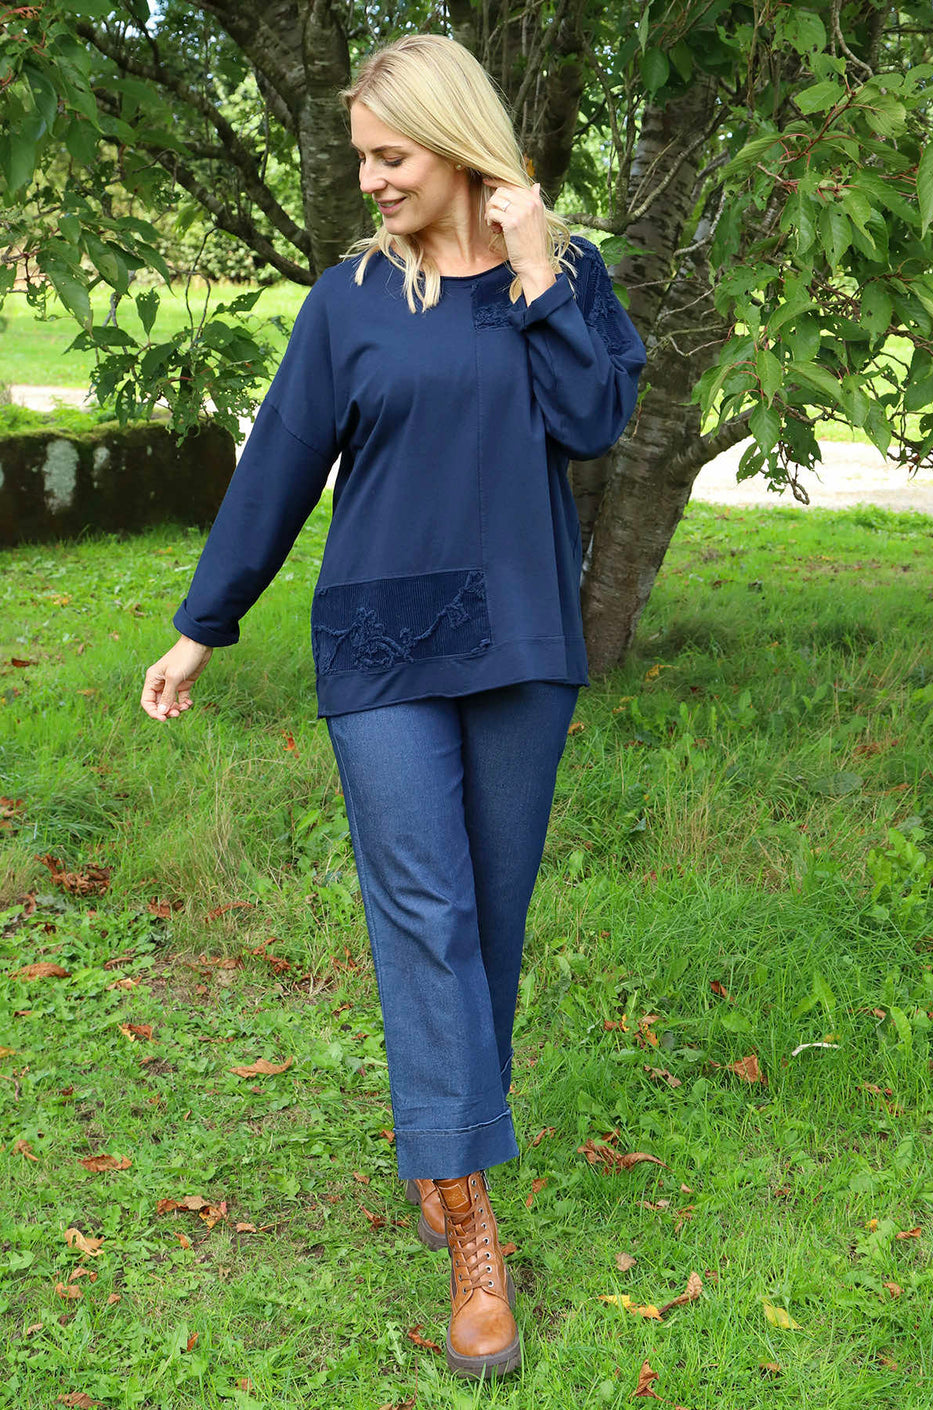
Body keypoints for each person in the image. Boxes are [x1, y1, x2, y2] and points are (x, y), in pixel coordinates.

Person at [140, 32, 645, 1381]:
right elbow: (280, 469)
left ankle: (444, 1131)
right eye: (363, 158)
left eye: (390, 155)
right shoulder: (350, 301)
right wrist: (203, 623)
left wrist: (534, 268)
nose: (368, 180)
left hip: (521, 641)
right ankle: (472, 1223)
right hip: (379, 647)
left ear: (459, 144)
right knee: (425, 914)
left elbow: (595, 421)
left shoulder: (564, 278)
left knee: (491, 918)